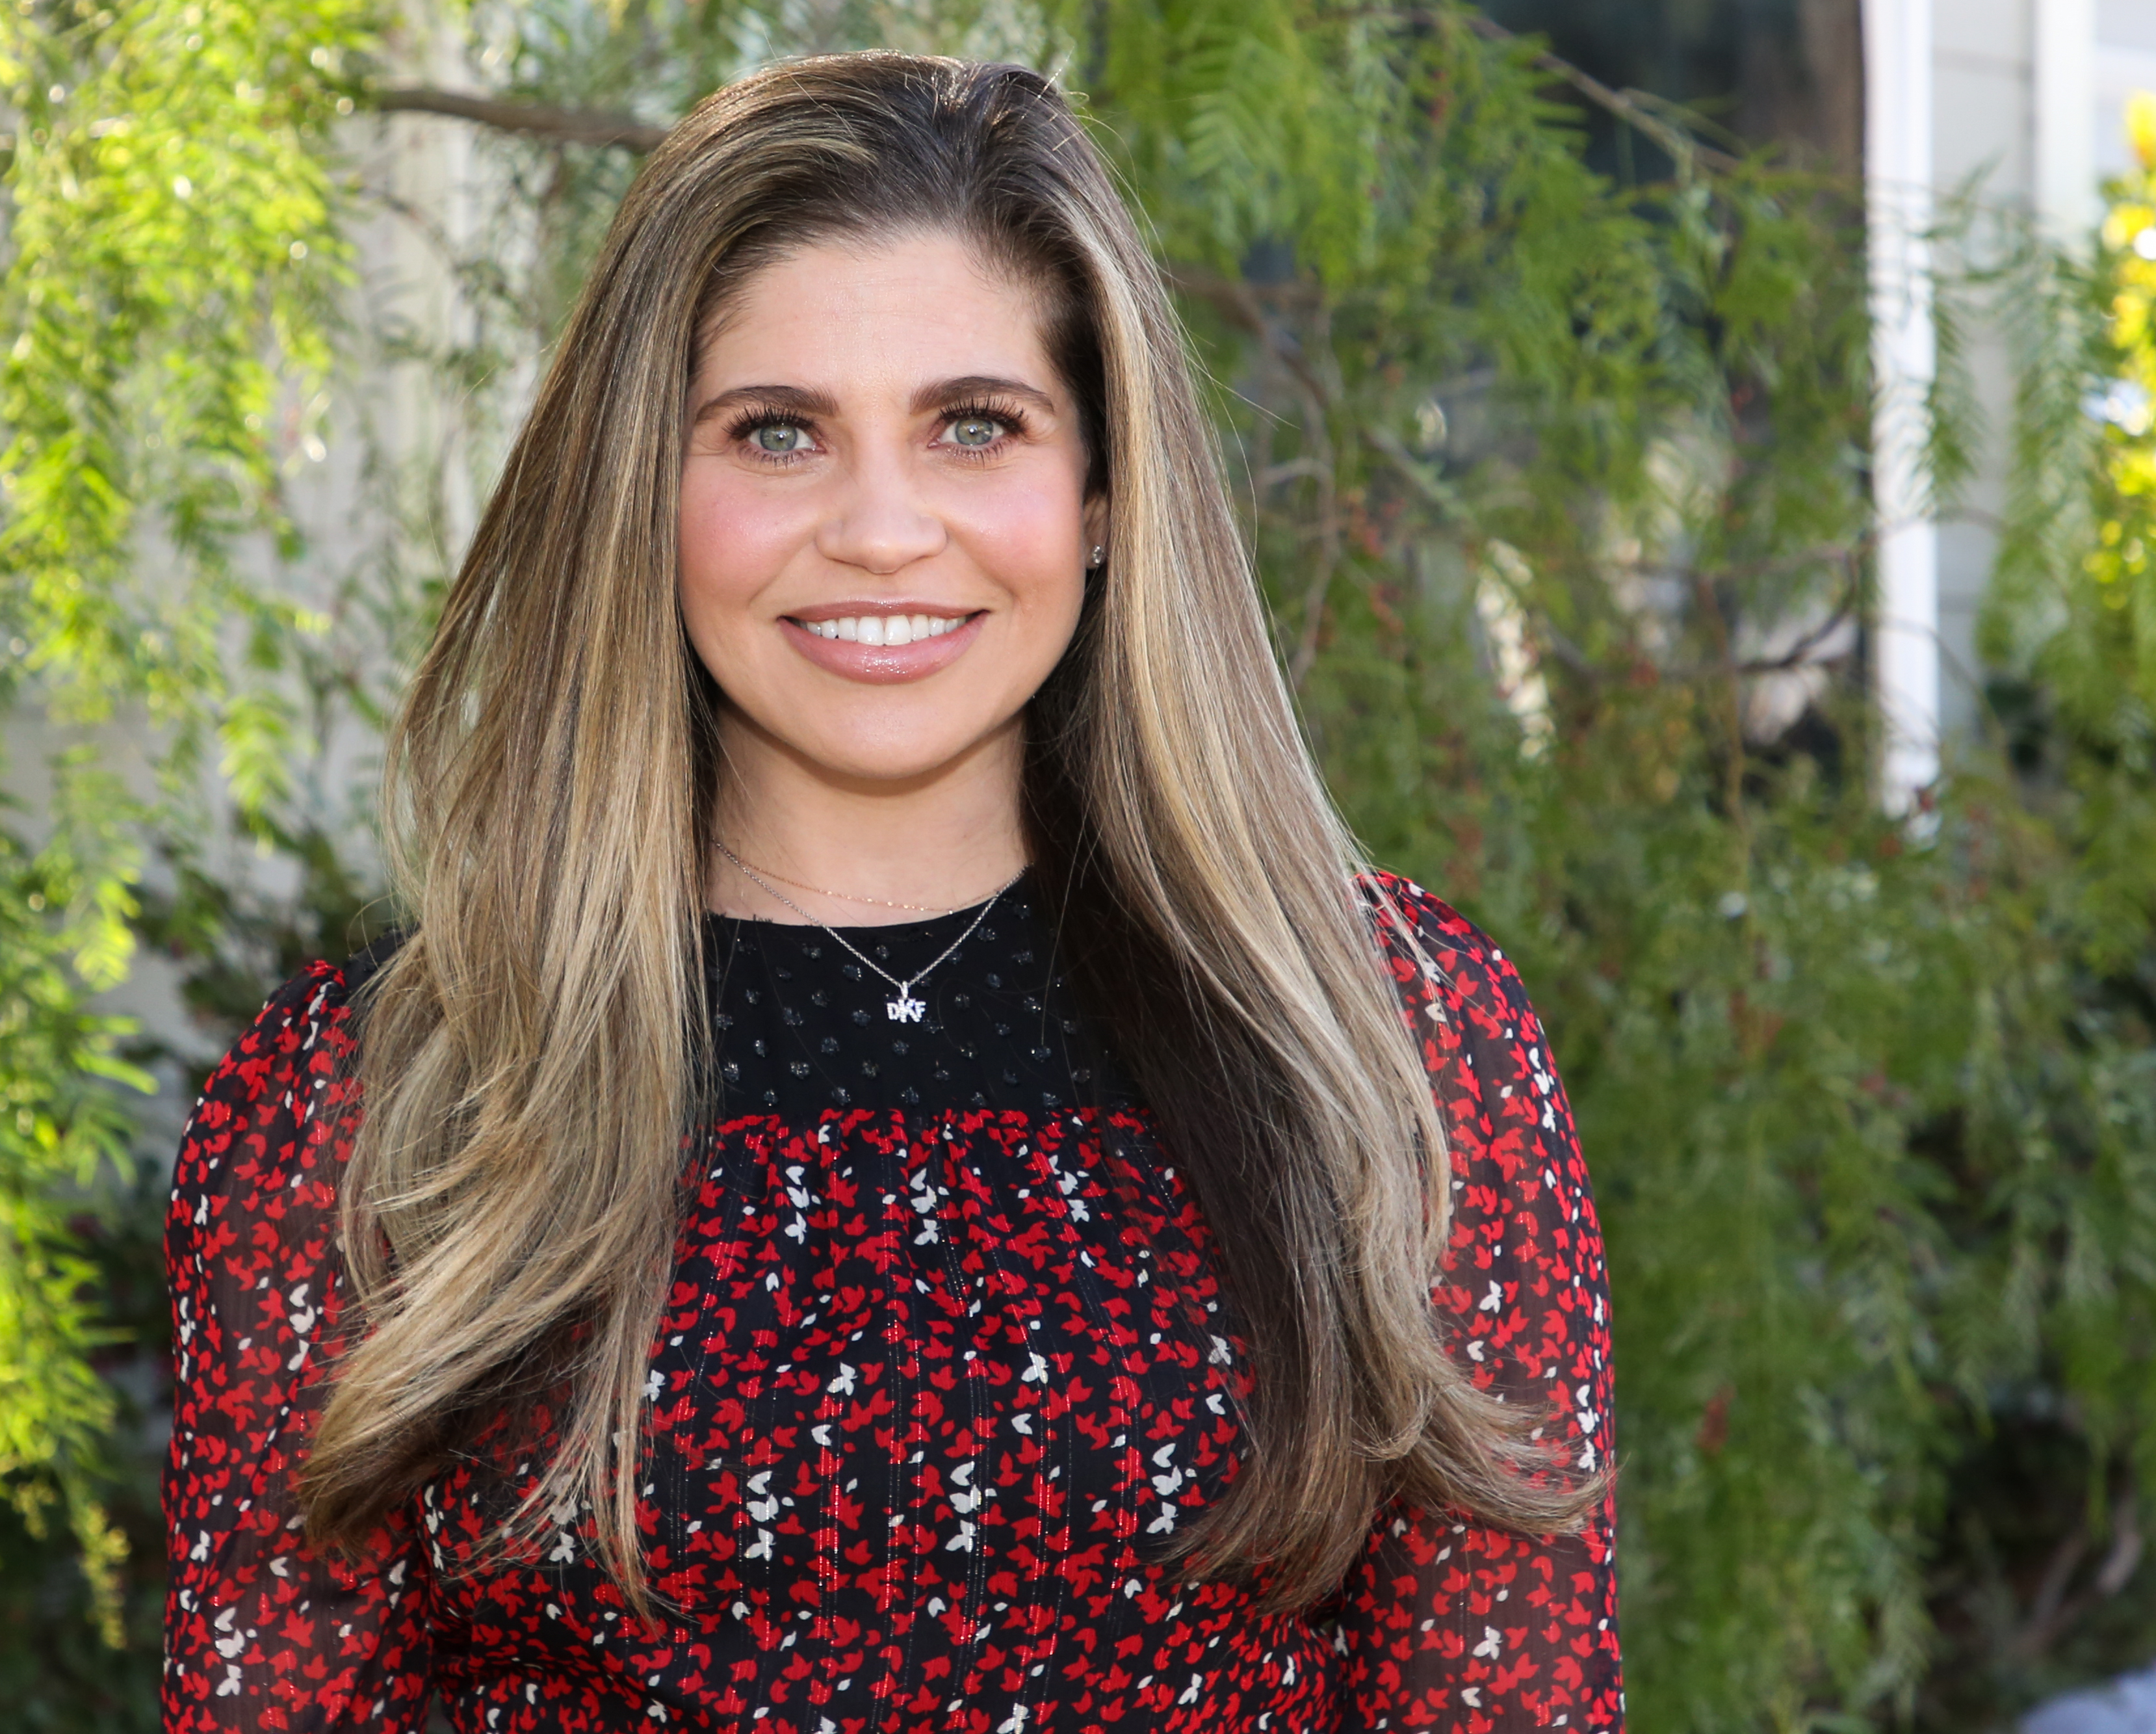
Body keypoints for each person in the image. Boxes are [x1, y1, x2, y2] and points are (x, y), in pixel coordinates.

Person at [161, 52, 1619, 1733]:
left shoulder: (1399, 1054)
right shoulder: (370, 1108)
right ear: (649, 487)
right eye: (778, 432)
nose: (879, 526)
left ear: (1098, 495)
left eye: (973, 425)